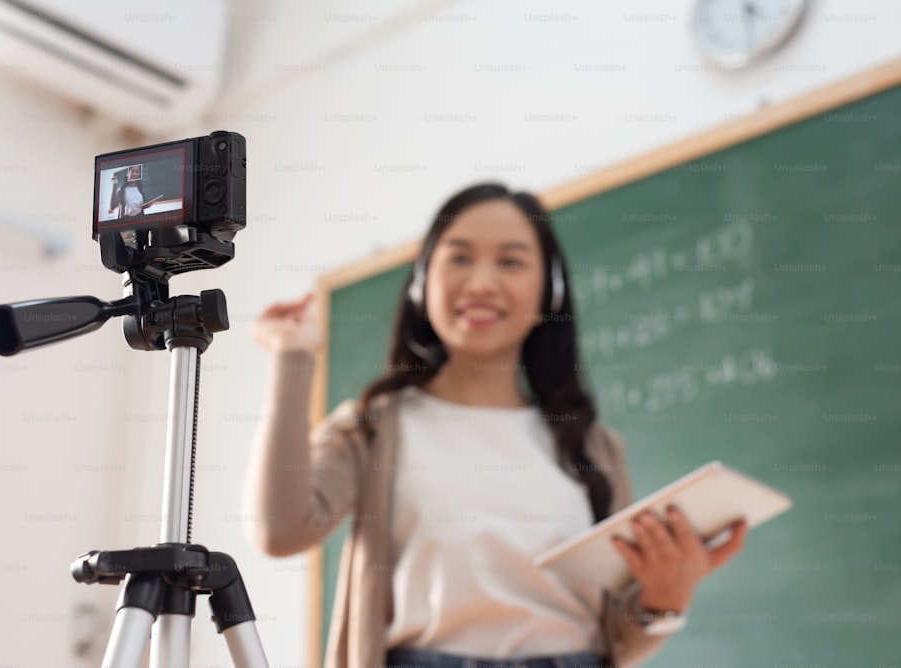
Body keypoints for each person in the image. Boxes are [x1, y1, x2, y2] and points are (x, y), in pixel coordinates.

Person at [242, 183, 747, 668]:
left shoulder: (594, 447)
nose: (482, 282)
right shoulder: (374, 428)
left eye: (511, 261)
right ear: (421, 284)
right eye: (459, 257)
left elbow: (615, 643)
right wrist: (294, 357)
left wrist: (664, 599)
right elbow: (278, 531)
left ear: (546, 294)